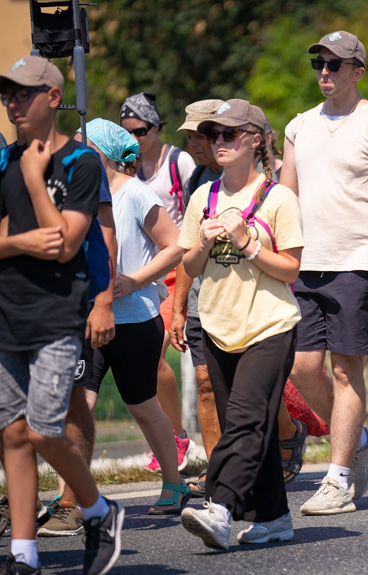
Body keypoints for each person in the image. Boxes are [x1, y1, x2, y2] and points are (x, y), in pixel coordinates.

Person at [0, 54, 123, 575]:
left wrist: (34, 180)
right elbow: (36, 239)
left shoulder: (82, 162)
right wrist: (23, 240)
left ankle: (98, 510)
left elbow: (68, 245)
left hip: (56, 317)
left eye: (24, 93)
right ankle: (23, 554)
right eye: (7, 94)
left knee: (47, 430)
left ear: (53, 98)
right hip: (7, 315)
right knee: (10, 432)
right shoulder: (2, 159)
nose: (12, 102)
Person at [280, 30, 368, 515]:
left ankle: (337, 480)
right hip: (306, 264)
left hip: (359, 263)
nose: (325, 72)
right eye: (319, 63)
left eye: (335, 64)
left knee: (344, 371)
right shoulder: (298, 126)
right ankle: (357, 441)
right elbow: (285, 196)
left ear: (358, 70)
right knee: (302, 367)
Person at [179, 99, 303, 549]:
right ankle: (273, 516)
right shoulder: (202, 197)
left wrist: (247, 242)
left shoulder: (278, 197)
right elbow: (190, 266)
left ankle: (220, 507)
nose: (218, 143)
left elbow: (290, 269)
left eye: (228, 134)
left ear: (254, 140)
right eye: (214, 136)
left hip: (270, 326)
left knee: (245, 420)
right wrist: (206, 244)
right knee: (256, 425)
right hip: (217, 326)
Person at [76, 118, 189, 516]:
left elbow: (175, 246)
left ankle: (174, 483)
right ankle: (73, 498)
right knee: (78, 407)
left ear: (101, 153)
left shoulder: (135, 194)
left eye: (80, 145)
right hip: (84, 320)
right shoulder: (75, 193)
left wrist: (134, 280)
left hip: (134, 321)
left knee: (142, 406)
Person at [36, 130, 118, 536]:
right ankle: (17, 503)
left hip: (69, 300)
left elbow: (104, 230)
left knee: (69, 398)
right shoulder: (10, 156)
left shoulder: (81, 159)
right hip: (17, 299)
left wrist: (103, 300)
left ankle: (76, 503)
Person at [120, 92, 196, 472]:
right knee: (150, 360)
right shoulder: (126, 167)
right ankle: (176, 435)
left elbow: (193, 209)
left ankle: (177, 436)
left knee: (156, 349)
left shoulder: (177, 161)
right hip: (142, 270)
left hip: (176, 265)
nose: (135, 138)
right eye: (128, 131)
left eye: (142, 130)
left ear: (156, 127)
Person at [169, 99, 225, 496]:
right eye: (189, 136)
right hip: (204, 297)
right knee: (205, 383)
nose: (194, 144)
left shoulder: (258, 177)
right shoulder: (197, 181)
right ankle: (220, 469)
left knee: (243, 388)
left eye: (200, 135)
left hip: (246, 299)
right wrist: (178, 307)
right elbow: (187, 250)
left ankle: (283, 440)